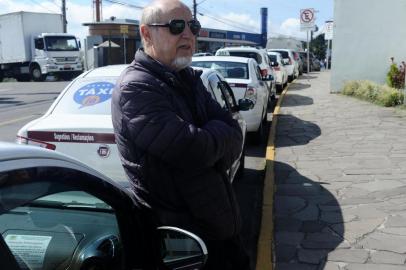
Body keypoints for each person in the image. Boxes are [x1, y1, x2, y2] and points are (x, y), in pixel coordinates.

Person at [111, 0, 250, 269]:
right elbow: (194, 151)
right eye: (176, 26)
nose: (187, 34)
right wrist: (215, 143)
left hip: (217, 229)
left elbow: (235, 135)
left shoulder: (187, 78)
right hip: (183, 244)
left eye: (192, 26)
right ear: (146, 34)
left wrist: (213, 141)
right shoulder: (136, 88)